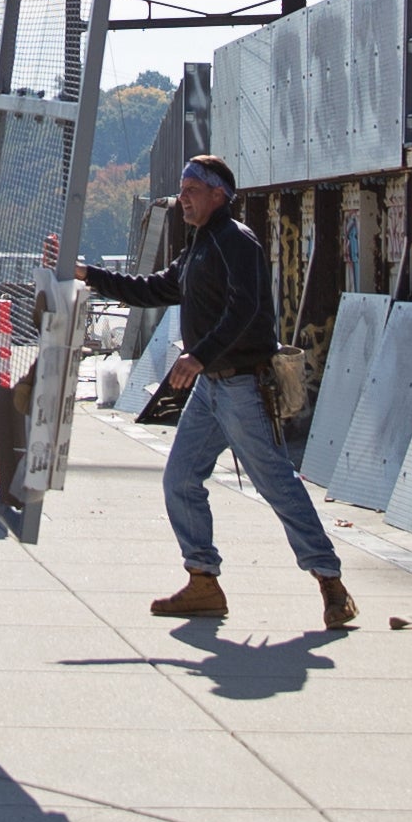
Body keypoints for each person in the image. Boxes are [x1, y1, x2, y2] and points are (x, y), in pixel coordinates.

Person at [79, 154, 348, 631]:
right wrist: (88, 275)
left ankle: (330, 582)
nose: (182, 198)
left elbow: (246, 310)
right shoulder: (200, 246)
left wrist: (199, 355)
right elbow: (153, 289)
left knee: (276, 485)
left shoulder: (235, 242)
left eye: (191, 190)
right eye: (181, 190)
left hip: (242, 385)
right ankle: (203, 580)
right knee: (180, 480)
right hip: (211, 388)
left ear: (218, 194)